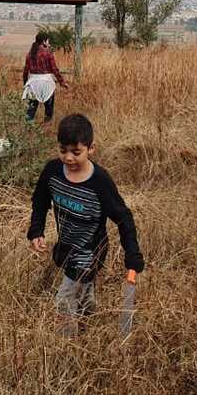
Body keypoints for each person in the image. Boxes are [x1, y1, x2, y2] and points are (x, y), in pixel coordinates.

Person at [27, 114, 144, 337]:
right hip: (66, 248)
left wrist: (132, 254)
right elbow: (39, 201)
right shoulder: (52, 172)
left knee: (64, 299)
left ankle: (68, 345)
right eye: (63, 151)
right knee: (83, 291)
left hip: (91, 252)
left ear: (91, 149)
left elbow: (123, 218)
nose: (68, 158)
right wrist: (36, 230)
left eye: (76, 152)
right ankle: (88, 319)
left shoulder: (100, 182)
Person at [22, 32, 68, 123]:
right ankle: (47, 128)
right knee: (48, 110)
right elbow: (54, 69)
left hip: (33, 84)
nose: (49, 43)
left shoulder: (29, 54)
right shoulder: (48, 53)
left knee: (31, 110)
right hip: (47, 83)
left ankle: (28, 129)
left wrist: (25, 83)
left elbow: (25, 71)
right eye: (48, 41)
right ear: (44, 41)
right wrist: (62, 82)